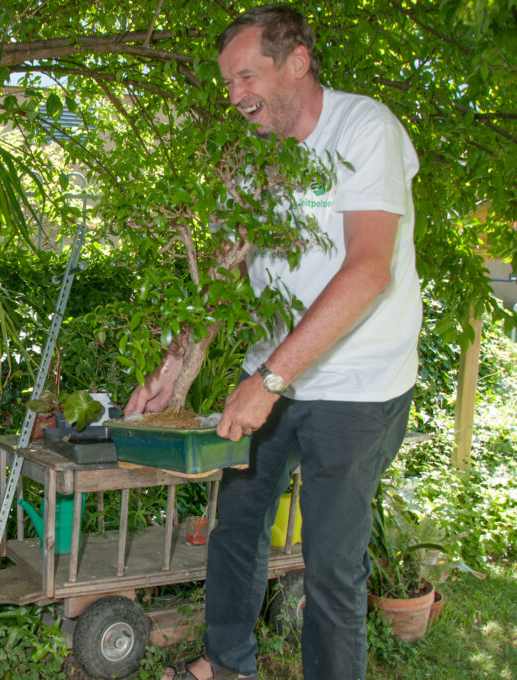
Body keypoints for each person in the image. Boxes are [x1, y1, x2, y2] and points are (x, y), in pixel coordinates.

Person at [127, 5, 421, 680]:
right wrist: (175, 369)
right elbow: (228, 271)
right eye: (227, 83)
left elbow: (370, 269)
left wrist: (269, 382)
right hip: (276, 374)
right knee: (237, 524)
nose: (235, 95)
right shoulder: (249, 157)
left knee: (332, 564)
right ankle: (228, 664)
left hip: (357, 386)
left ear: (297, 62)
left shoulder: (363, 128)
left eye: (245, 76)